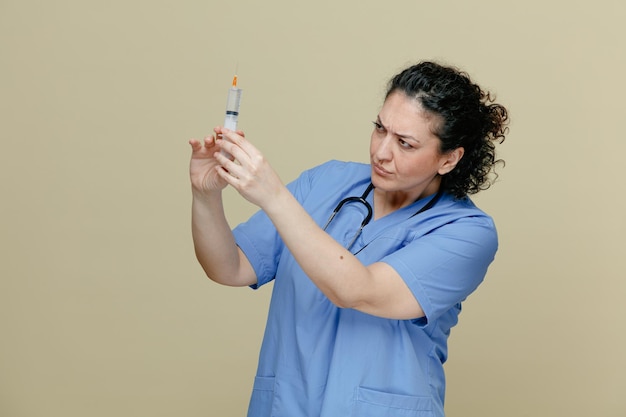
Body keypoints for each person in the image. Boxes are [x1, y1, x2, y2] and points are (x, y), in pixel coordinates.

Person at [188, 61, 509, 417]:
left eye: (405, 143)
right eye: (379, 129)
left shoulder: (467, 232)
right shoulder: (326, 183)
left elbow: (358, 290)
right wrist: (205, 195)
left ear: (449, 159)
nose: (381, 152)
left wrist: (274, 196)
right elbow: (228, 267)